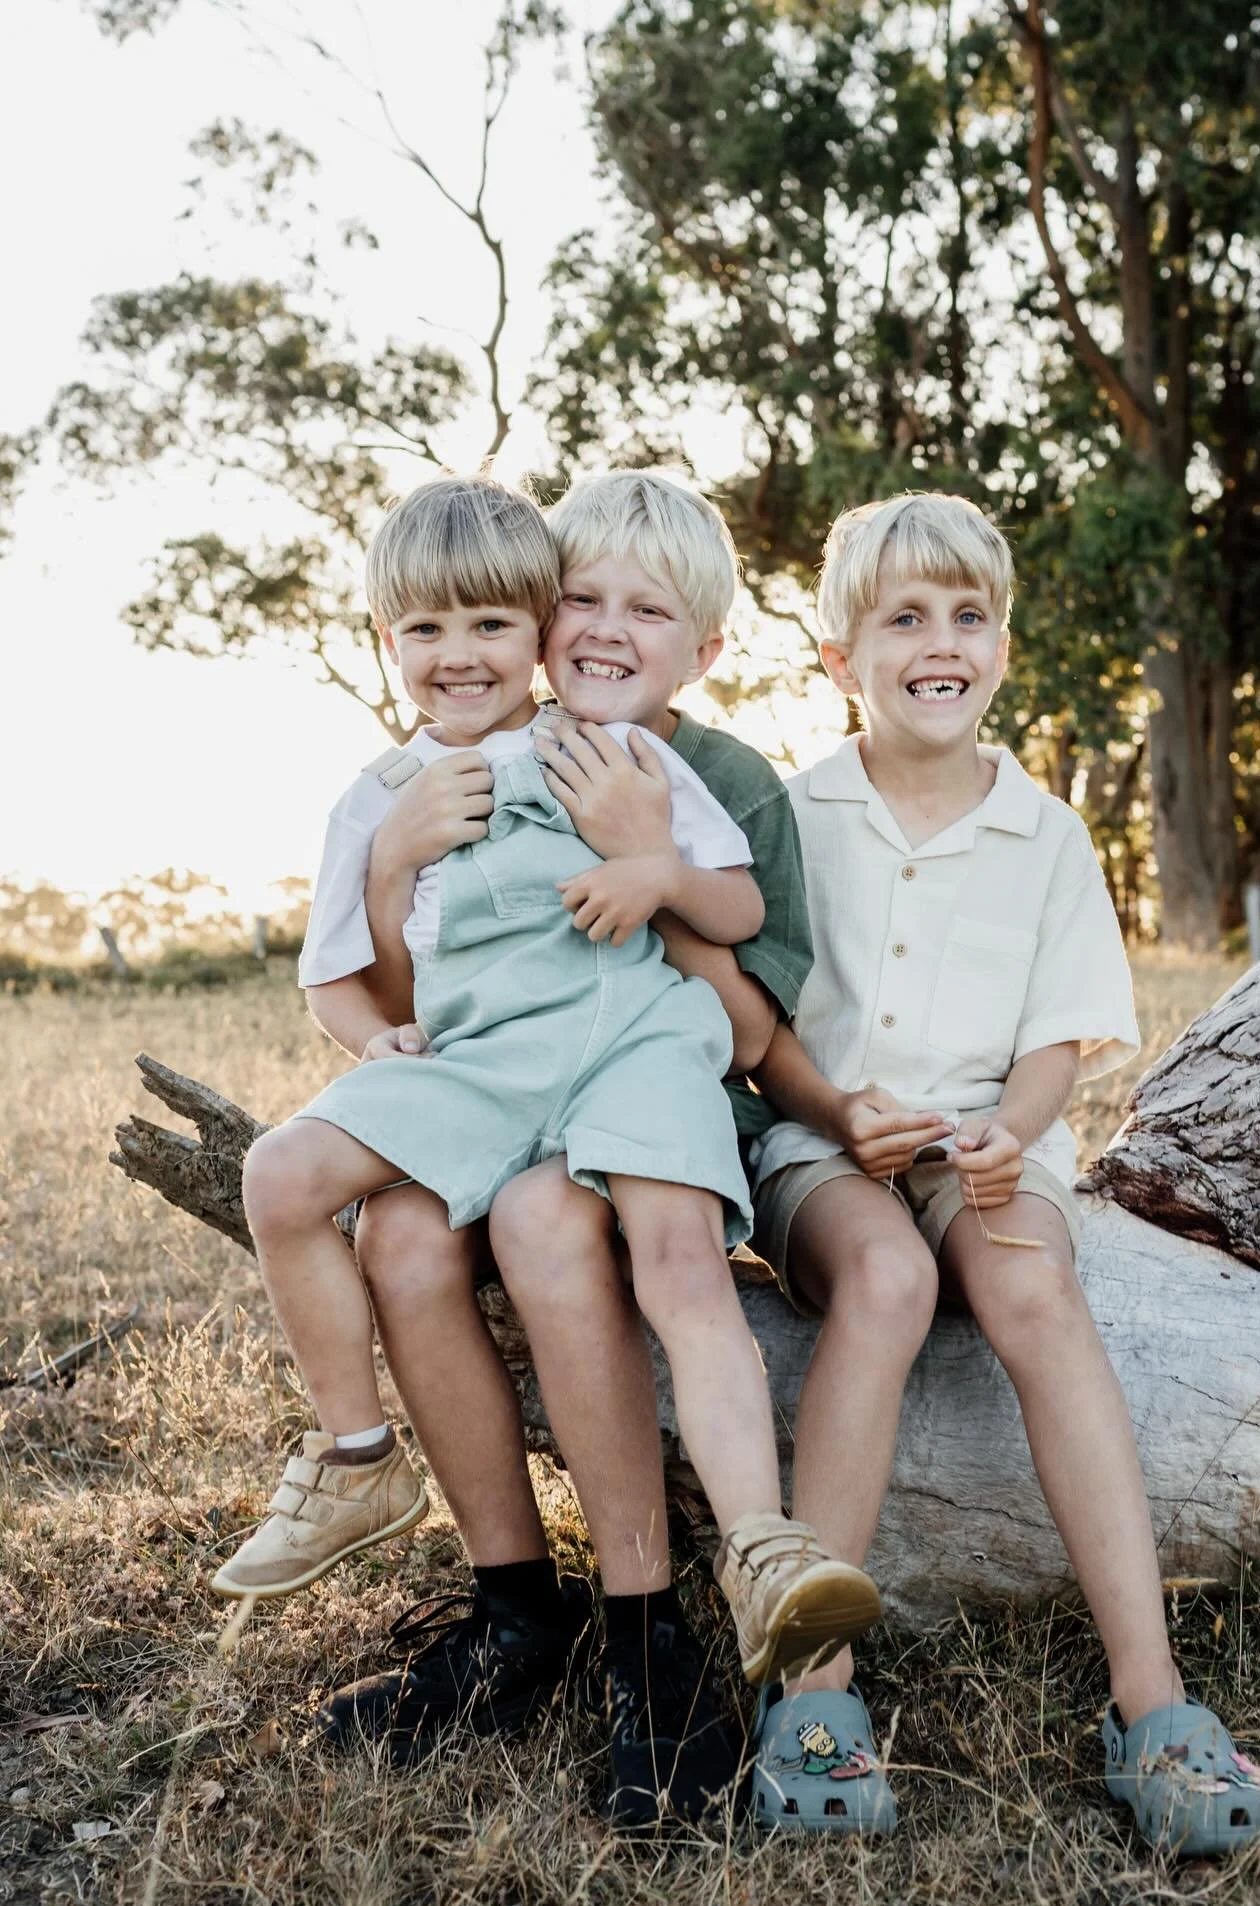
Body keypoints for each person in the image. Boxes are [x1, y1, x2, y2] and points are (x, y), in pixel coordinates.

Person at [231, 470, 879, 1822]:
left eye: (638, 609)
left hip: (650, 1078)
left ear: (700, 644)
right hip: (484, 1080)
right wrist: (389, 871)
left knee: (555, 1226)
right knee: (394, 1228)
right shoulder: (397, 789)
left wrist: (649, 864)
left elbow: (750, 1019)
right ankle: (512, 1604)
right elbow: (383, 992)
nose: (595, 630)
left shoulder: (683, 768)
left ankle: (656, 1624)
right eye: (581, 598)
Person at [743, 490, 1260, 1856]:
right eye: (905, 618)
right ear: (839, 658)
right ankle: (814, 1693)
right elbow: (757, 1030)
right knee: (880, 1281)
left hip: (994, 1142)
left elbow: (1059, 1040)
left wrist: (1007, 1131)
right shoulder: (790, 815)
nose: (941, 642)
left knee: (1036, 1291)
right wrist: (828, 1102)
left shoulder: (1044, 834)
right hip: (823, 1142)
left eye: (968, 616)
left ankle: (1148, 1699)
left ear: (1002, 643)